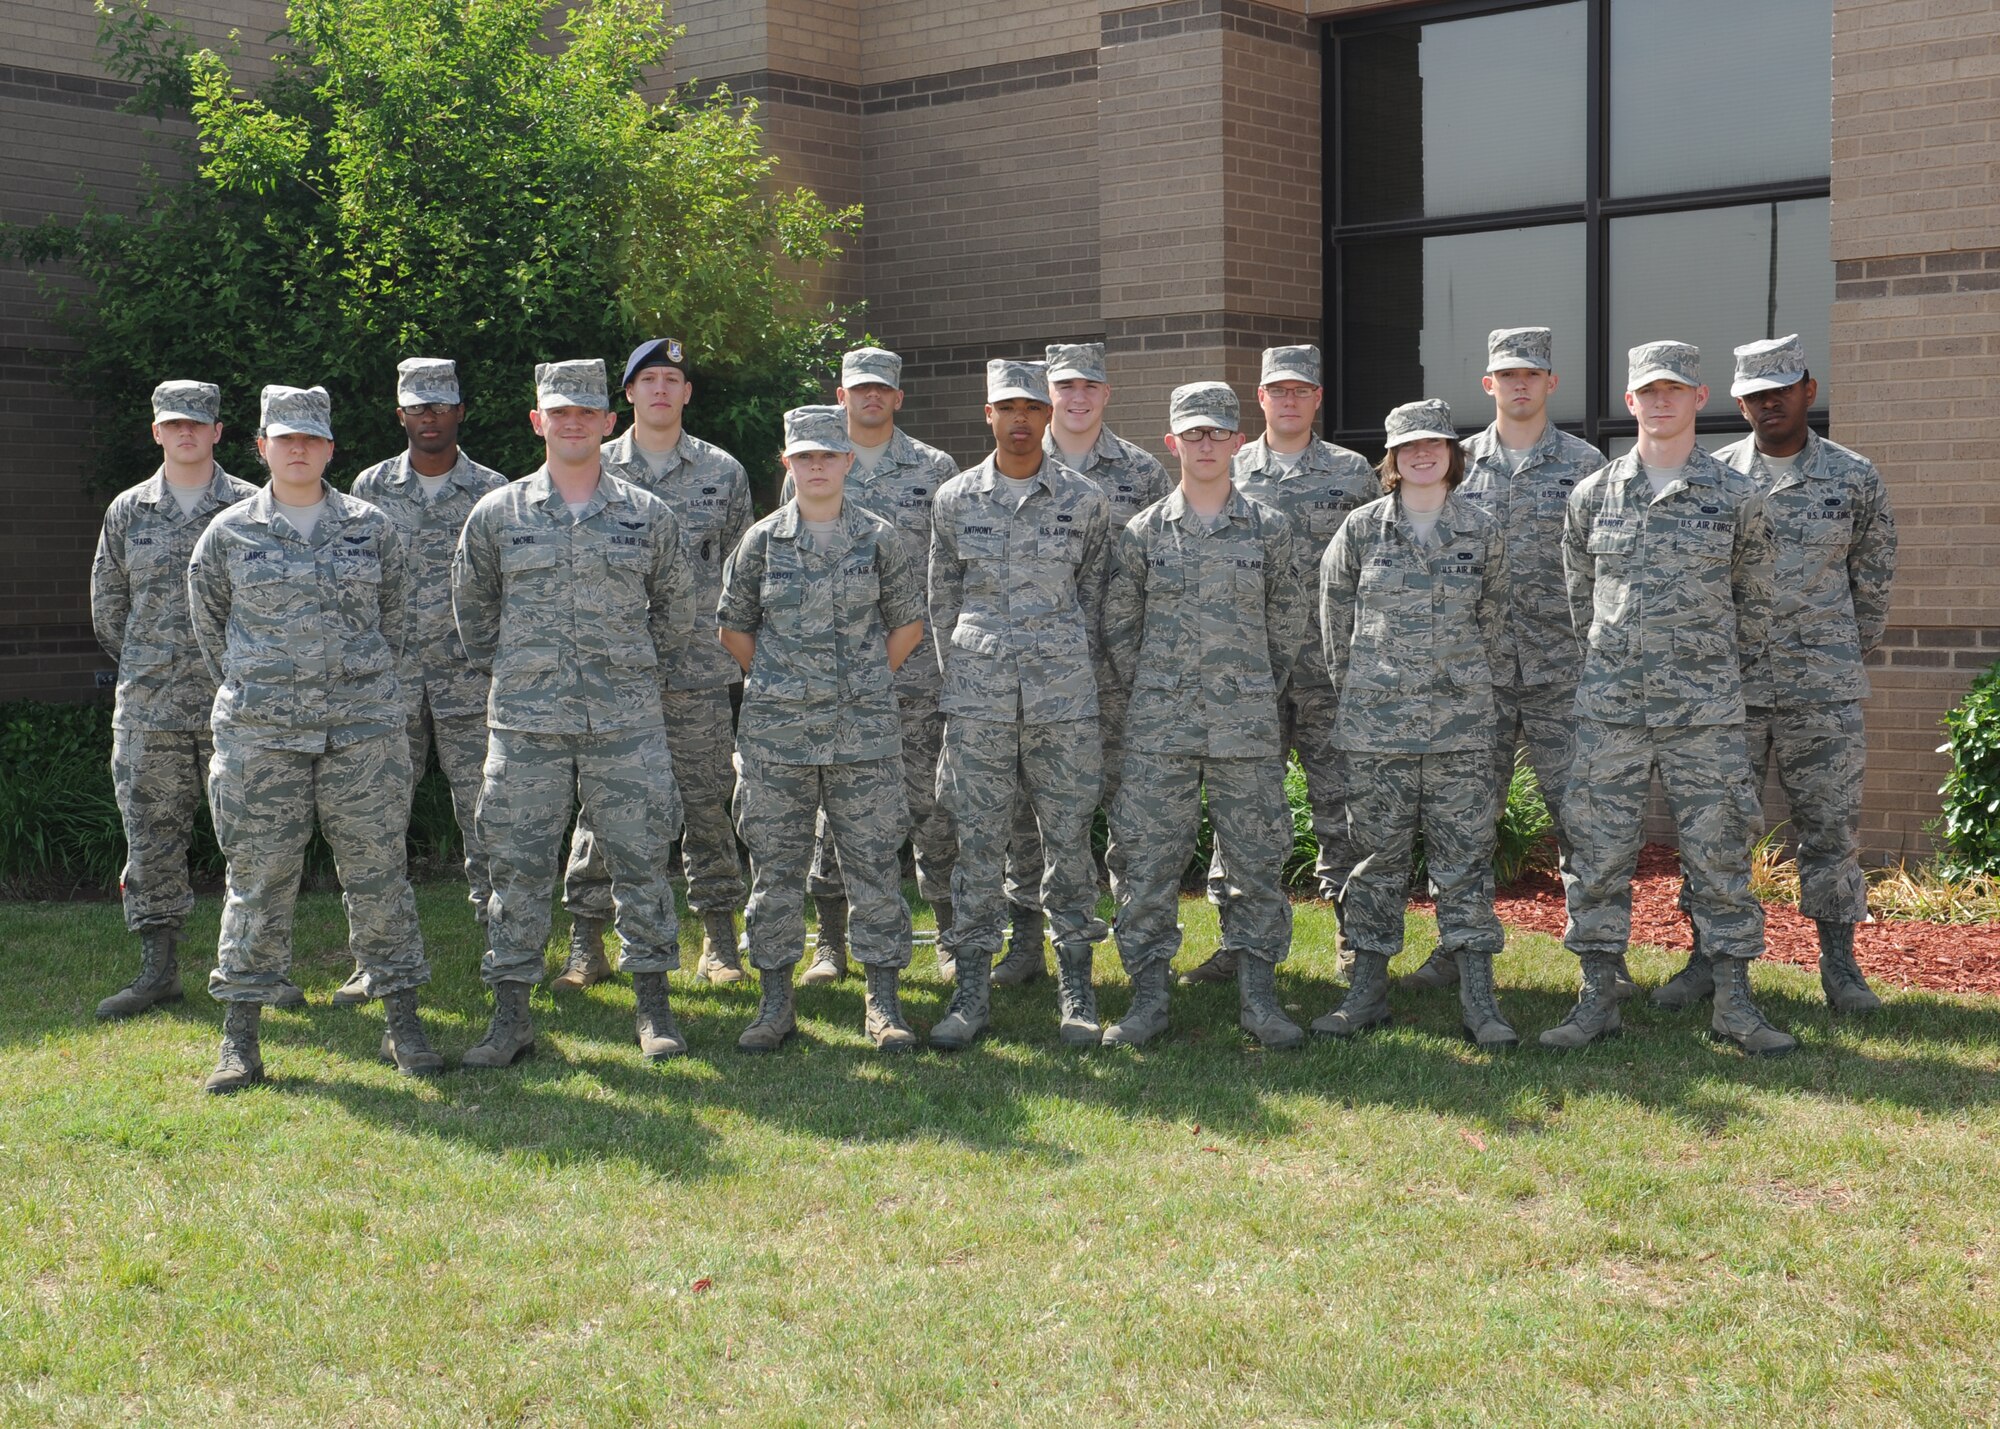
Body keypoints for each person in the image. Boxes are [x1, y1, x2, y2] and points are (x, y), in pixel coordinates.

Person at [187, 384, 438, 1090]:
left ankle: (404, 1024)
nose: (297, 448)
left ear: (329, 448)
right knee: (256, 883)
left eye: (310, 438)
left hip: (363, 735)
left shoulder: (373, 528)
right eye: (283, 437)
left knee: (380, 876)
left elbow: (399, 624)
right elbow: (212, 634)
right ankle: (240, 1039)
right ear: (261, 447)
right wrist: (265, 688)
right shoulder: (228, 534)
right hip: (261, 739)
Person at [1551, 342, 1793, 1055]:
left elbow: (1756, 604)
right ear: (1630, 402)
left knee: (1719, 855)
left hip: (1705, 714)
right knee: (1597, 854)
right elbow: (1580, 599)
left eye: (1675, 390)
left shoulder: (1737, 497)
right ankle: (1597, 997)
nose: (1661, 402)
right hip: (1612, 712)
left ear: (1700, 398)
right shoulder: (1593, 495)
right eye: (1647, 391)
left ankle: (1735, 1005)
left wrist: (1708, 671)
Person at [452, 359, 697, 1066]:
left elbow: (677, 615)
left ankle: (653, 1007)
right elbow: (474, 616)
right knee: (516, 869)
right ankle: (511, 1017)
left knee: (643, 861)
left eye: (586, 413)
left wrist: (625, 669)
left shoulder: (650, 517)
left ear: (607, 423)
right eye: (558, 412)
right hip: (527, 725)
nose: (572, 423)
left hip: (626, 723)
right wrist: (528, 670)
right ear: (538, 421)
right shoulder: (496, 515)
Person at [1652, 334, 1897, 1014]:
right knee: (1715, 828)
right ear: (1737, 402)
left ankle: (1841, 967)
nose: (1770, 404)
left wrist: (1833, 650)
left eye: (1782, 390)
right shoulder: (1714, 478)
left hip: (1823, 691)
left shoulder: (1854, 478)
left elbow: (1872, 585)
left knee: (1829, 832)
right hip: (1728, 693)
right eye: (1757, 395)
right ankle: (1707, 957)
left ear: (1808, 390)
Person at [1420, 328, 1636, 999]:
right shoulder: (1452, 464)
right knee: (1462, 822)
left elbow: (1608, 565)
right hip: (1474, 678)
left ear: (1551, 384)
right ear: (1487, 384)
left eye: (1531, 374)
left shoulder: (1585, 465)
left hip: (1561, 676)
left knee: (1585, 821)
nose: (1519, 385)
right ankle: (1458, 947)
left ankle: (1602, 959)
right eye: (1506, 374)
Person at [1100, 381, 1306, 1048]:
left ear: (1238, 441)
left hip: (1244, 727)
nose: (1207, 444)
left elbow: (1288, 624)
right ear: (1173, 443)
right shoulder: (1141, 536)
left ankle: (1259, 998)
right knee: (1146, 863)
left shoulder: (1270, 531)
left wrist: (1248, 686)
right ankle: (1149, 998)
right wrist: (1162, 688)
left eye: (1218, 432)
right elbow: (1120, 629)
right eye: (1194, 434)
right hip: (1160, 729)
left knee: (1256, 860)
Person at [717, 406, 929, 1052]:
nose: (816, 466)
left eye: (827, 455)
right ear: (788, 463)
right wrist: (785, 682)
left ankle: (884, 1004)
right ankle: (776, 1003)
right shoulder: (760, 542)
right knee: (776, 870)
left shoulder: (880, 539)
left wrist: (857, 680)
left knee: (873, 868)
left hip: (862, 735)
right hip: (777, 737)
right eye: (803, 456)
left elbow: (908, 625)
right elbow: (733, 627)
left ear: (846, 462)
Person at [1310, 400, 1516, 1047]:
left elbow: (1495, 627)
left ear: (1452, 454)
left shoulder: (1480, 531)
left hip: (1461, 731)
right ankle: (1366, 993)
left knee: (1465, 863)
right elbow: (1334, 625)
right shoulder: (1362, 531)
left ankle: (1479, 1001)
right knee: (1375, 862)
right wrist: (1366, 694)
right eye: (1408, 446)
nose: (1422, 454)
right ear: (1393, 459)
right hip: (1378, 732)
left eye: (1434, 443)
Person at [927, 358, 1113, 1049]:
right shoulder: (954, 499)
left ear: (1049, 415)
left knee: (1068, 846)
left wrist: (1064, 667)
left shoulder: (1085, 500)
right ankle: (971, 992)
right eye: (1007, 407)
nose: (1020, 420)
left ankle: (1077, 989)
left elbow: (1095, 603)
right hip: (977, 704)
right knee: (977, 847)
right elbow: (942, 600)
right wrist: (966, 686)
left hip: (1063, 703)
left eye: (1032, 408)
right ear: (988, 415)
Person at [558, 337, 753, 990]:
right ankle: (588, 942)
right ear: (629, 394)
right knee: (601, 808)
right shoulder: (593, 468)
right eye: (649, 380)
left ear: (687, 393)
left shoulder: (723, 472)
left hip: (698, 672)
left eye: (673, 379)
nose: (662, 389)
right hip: (614, 674)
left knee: (706, 804)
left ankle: (720, 941)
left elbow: (740, 576)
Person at [1182, 345, 1378, 986]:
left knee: (1342, 804)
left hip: (1327, 671)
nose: (1288, 400)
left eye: (1301, 390)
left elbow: (1372, 569)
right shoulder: (1224, 465)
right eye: (1277, 390)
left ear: (1318, 397)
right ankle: (1239, 942)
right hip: (1248, 673)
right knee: (1243, 809)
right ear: (1260, 398)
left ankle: (1357, 942)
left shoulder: (1353, 474)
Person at [989, 341, 1172, 989]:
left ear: (1106, 393)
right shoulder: (1013, 465)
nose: (1077, 397)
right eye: (1064, 387)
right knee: (1026, 815)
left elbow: (1159, 569)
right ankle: (1027, 943)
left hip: (1117, 674)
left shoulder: (1144, 473)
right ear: (1047, 397)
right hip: (1033, 676)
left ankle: (1135, 947)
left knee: (1128, 811)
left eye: (1089, 386)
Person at [91, 380, 262, 1021]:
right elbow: (109, 610)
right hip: (150, 711)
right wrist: (150, 665)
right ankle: (158, 970)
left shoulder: (252, 507)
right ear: (157, 432)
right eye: (173, 424)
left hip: (237, 707)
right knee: (151, 841)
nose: (186, 433)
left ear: (218, 431)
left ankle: (257, 966)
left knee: (254, 838)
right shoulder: (128, 511)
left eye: (198, 423)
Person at [789, 347, 961, 987]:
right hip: (834, 673)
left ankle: (946, 935)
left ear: (898, 397)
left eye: (882, 390)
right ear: (841, 395)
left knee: (931, 806)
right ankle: (830, 945)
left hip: (916, 672)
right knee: (831, 812)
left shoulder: (934, 468)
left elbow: (949, 566)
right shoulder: (814, 461)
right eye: (859, 389)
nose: (870, 399)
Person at [339, 358, 507, 1005]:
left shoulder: (493, 493)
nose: (429, 416)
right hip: (390, 687)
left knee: (489, 820)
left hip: (472, 684)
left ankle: (506, 950)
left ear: (461, 411)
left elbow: (509, 590)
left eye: (441, 405)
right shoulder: (369, 489)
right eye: (418, 405)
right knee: (373, 824)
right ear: (400, 413)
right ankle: (372, 956)